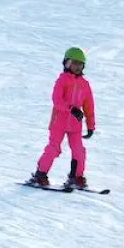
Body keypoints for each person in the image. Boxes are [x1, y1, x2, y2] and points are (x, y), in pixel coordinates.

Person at [29, 48, 95, 189]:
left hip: (75, 124)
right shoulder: (62, 80)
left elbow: (89, 107)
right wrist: (71, 108)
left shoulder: (85, 84)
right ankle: (40, 174)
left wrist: (90, 126)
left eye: (80, 64)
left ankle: (76, 177)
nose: (77, 67)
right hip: (59, 121)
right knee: (54, 148)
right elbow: (57, 100)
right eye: (74, 63)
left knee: (79, 150)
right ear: (66, 63)